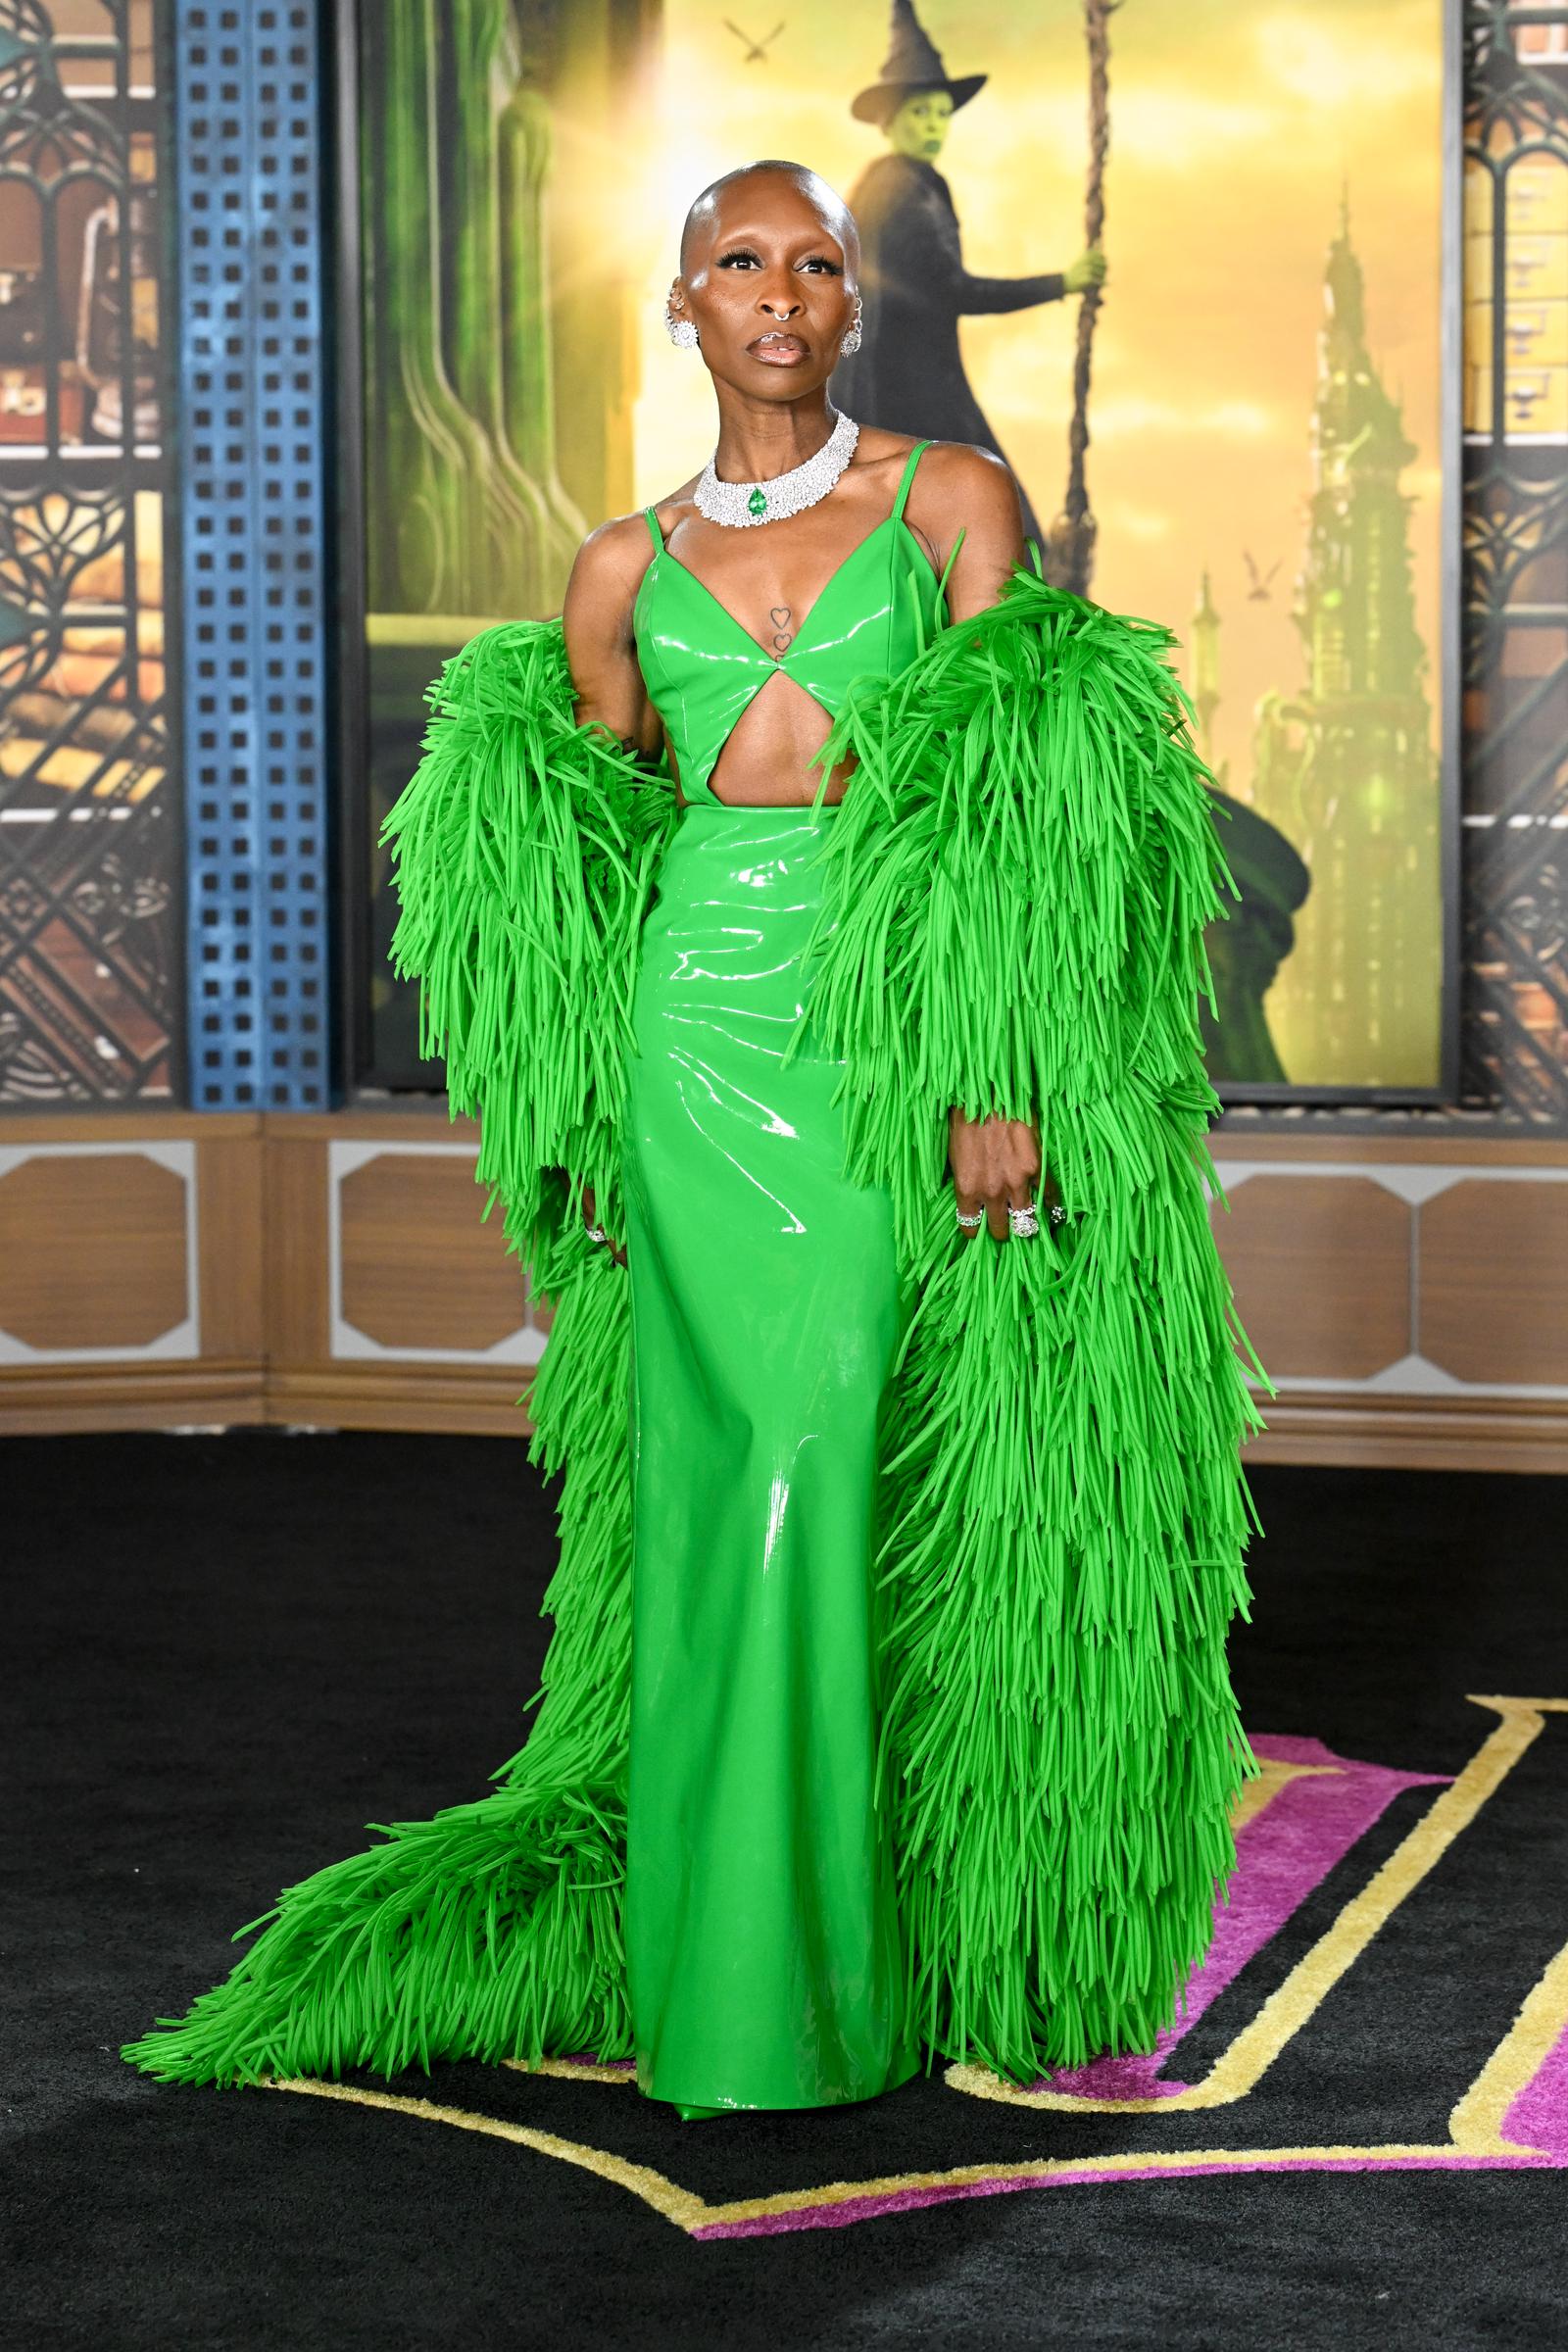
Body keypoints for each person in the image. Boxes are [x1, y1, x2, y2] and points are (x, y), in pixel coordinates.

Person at [124, 161, 1269, 2119]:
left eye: (814, 264)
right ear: (683, 303)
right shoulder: (613, 569)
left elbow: (1007, 798)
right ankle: (734, 1979)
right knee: (722, 1465)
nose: (779, 292)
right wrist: (574, 1105)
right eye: (740, 260)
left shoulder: (944, 504)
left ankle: (835, 1951)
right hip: (694, 1031)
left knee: (842, 1452)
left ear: (846, 308)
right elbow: (589, 861)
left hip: (882, 1017)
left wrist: (988, 1057)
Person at [831, 0, 1107, 552]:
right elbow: (952, 290)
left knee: (985, 528)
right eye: (919, 114)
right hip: (907, 396)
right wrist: (1062, 281)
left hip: (914, 388)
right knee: (1004, 532)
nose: (933, 126)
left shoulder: (915, 183)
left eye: (939, 114)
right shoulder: (899, 192)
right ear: (889, 122)